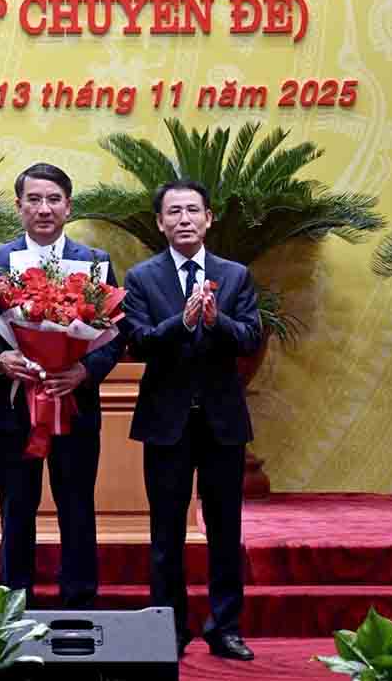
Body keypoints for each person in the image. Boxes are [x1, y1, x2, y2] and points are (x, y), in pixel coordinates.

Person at [123, 179, 261, 662]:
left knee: (226, 531)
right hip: (167, 423)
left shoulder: (236, 275)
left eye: (193, 211)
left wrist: (214, 319)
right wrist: (180, 323)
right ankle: (169, 627)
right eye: (174, 212)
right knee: (166, 533)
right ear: (160, 222)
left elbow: (249, 337)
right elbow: (135, 342)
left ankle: (224, 629)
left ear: (209, 218)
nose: (184, 219)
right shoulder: (141, 278)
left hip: (222, 423)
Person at [0, 162, 122, 609]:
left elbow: (116, 333)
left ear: (68, 206)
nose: (44, 208)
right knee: (16, 509)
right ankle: (14, 606)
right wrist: (0, 360)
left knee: (77, 507)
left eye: (53, 199)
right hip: (17, 409)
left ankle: (79, 603)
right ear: (18, 206)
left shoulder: (95, 264)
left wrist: (84, 370)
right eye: (34, 199)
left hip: (74, 406)